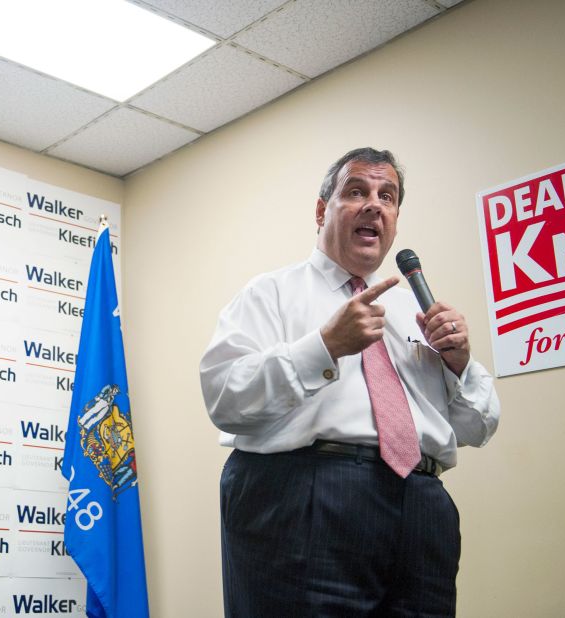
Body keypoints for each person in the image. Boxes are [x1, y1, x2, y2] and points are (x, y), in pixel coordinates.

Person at [199, 148, 500, 617]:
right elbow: (225, 398)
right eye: (356, 191)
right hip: (306, 499)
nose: (374, 205)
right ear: (322, 210)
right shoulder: (270, 293)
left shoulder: (415, 314)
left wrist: (460, 364)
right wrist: (324, 346)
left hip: (421, 509)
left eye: (388, 196)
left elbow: (478, 427)